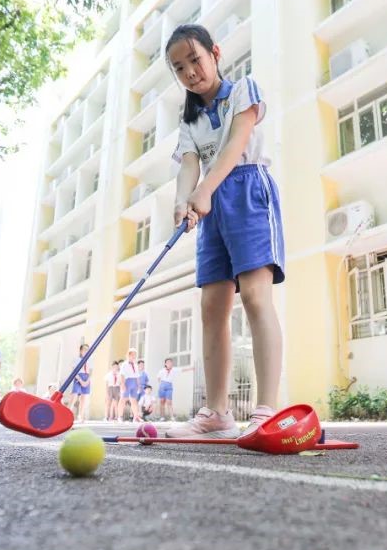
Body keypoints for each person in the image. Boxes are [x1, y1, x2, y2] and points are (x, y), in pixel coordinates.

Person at [164, 24, 284, 440]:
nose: (190, 72)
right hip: (209, 206)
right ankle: (216, 413)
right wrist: (183, 201)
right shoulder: (190, 122)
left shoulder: (244, 89)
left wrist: (202, 191)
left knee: (254, 296)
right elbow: (188, 167)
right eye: (179, 68)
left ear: (214, 53)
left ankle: (266, 409)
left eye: (195, 59)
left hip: (248, 191)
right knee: (211, 307)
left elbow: (237, 143)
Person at [119, 348, 142, 422]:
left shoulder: (135, 365)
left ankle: (136, 417)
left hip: (134, 382)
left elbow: (137, 375)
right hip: (127, 382)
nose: (134, 356)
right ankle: (120, 416)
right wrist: (123, 384)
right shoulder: (124, 364)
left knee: (134, 400)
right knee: (123, 399)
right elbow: (122, 375)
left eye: (135, 355)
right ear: (128, 355)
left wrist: (138, 385)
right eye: (132, 355)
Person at [71, 343, 91, 422]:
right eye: (84, 349)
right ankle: (68, 413)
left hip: (86, 378)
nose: (86, 351)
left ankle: (80, 415)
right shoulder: (76, 359)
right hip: (78, 377)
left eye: (87, 350)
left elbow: (91, 372)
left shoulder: (90, 360)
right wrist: (80, 380)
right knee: (74, 396)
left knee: (84, 398)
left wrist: (87, 381)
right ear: (80, 351)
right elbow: (74, 371)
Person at [157, 357, 177, 422]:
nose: (169, 363)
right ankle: (162, 416)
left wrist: (192, 368)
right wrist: (161, 385)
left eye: (170, 362)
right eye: (168, 362)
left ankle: (172, 417)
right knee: (162, 401)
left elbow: (183, 369)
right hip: (162, 386)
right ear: (165, 363)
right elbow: (159, 378)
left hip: (169, 386)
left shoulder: (174, 370)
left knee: (169, 402)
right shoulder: (162, 370)